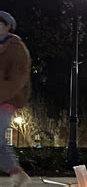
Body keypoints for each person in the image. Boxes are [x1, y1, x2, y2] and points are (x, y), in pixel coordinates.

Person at [0, 10, 32, 187]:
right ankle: (17, 173)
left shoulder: (16, 47)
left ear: (7, 27)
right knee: (0, 141)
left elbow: (17, 79)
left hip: (7, 100)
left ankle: (17, 173)